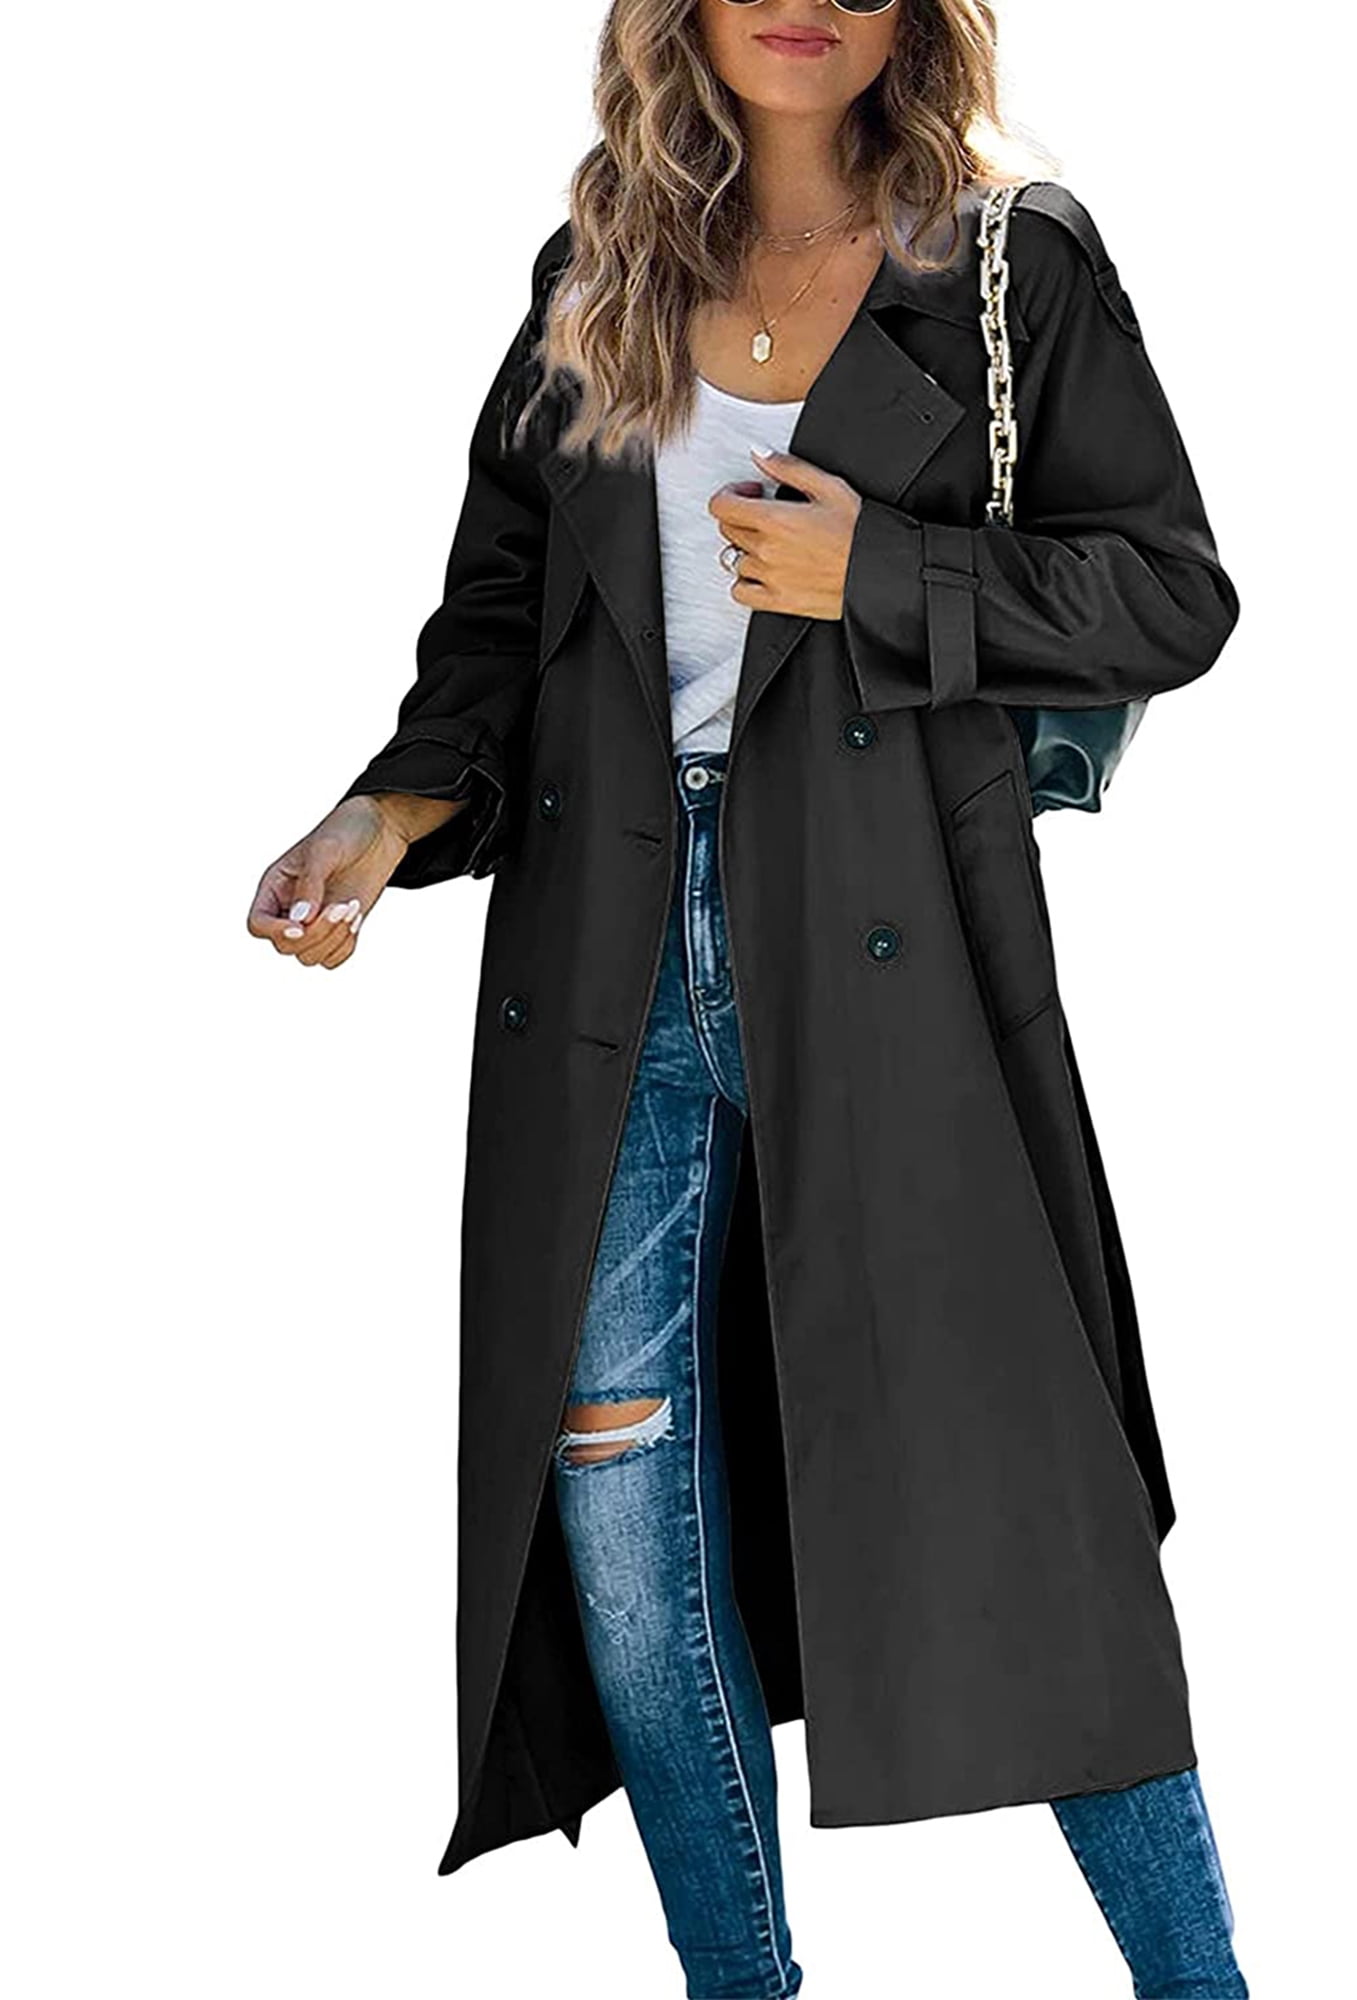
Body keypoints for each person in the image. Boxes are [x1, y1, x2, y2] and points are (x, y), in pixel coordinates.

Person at [248, 3, 1248, 1995]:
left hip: (897, 948)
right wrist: (387, 813)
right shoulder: (598, 271)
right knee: (616, 1483)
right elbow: (502, 625)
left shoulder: (1009, 265)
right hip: (606, 959)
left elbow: (1170, 591)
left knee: (1020, 1496)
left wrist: (886, 574)